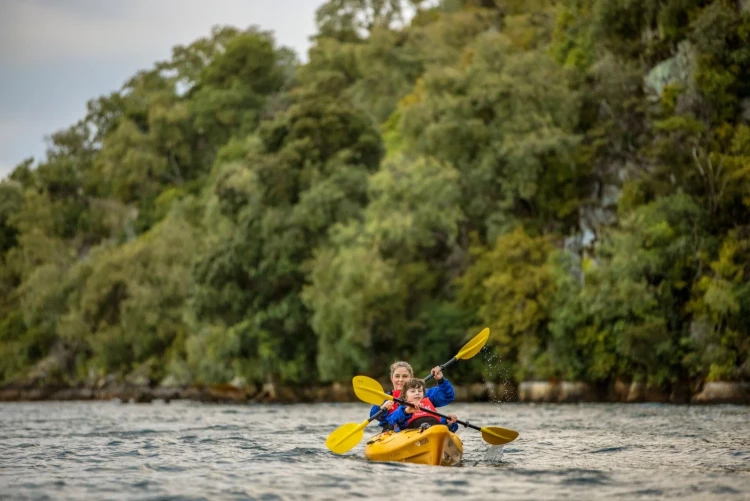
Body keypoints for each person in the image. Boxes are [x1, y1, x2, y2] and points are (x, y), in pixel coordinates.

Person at [369, 361, 455, 430]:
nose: (401, 380)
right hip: (397, 433)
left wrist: (441, 380)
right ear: (392, 378)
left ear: (411, 378)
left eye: (405, 376)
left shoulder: (423, 393)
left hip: (427, 427)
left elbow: (447, 396)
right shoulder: (386, 398)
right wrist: (382, 408)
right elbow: (374, 416)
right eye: (397, 376)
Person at [386, 378, 458, 432]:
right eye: (413, 391)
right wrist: (406, 411)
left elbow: (440, 422)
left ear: (423, 394)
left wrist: (448, 421)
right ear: (405, 396)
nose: (417, 393)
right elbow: (391, 420)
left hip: (432, 434)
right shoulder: (403, 409)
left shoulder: (428, 404)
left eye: (420, 391)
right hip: (412, 436)